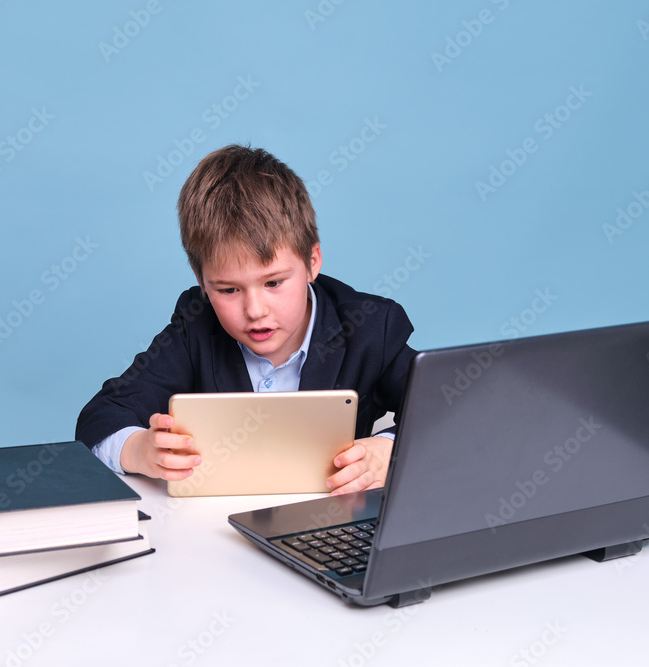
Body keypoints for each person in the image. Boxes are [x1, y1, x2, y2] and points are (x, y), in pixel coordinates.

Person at [75, 145, 416, 495]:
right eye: (228, 290)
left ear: (313, 261)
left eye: (273, 283)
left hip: (329, 524)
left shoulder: (370, 327)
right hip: (216, 528)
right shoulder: (195, 328)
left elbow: (449, 408)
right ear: (200, 279)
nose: (255, 311)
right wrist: (138, 450)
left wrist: (391, 450)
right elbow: (101, 415)